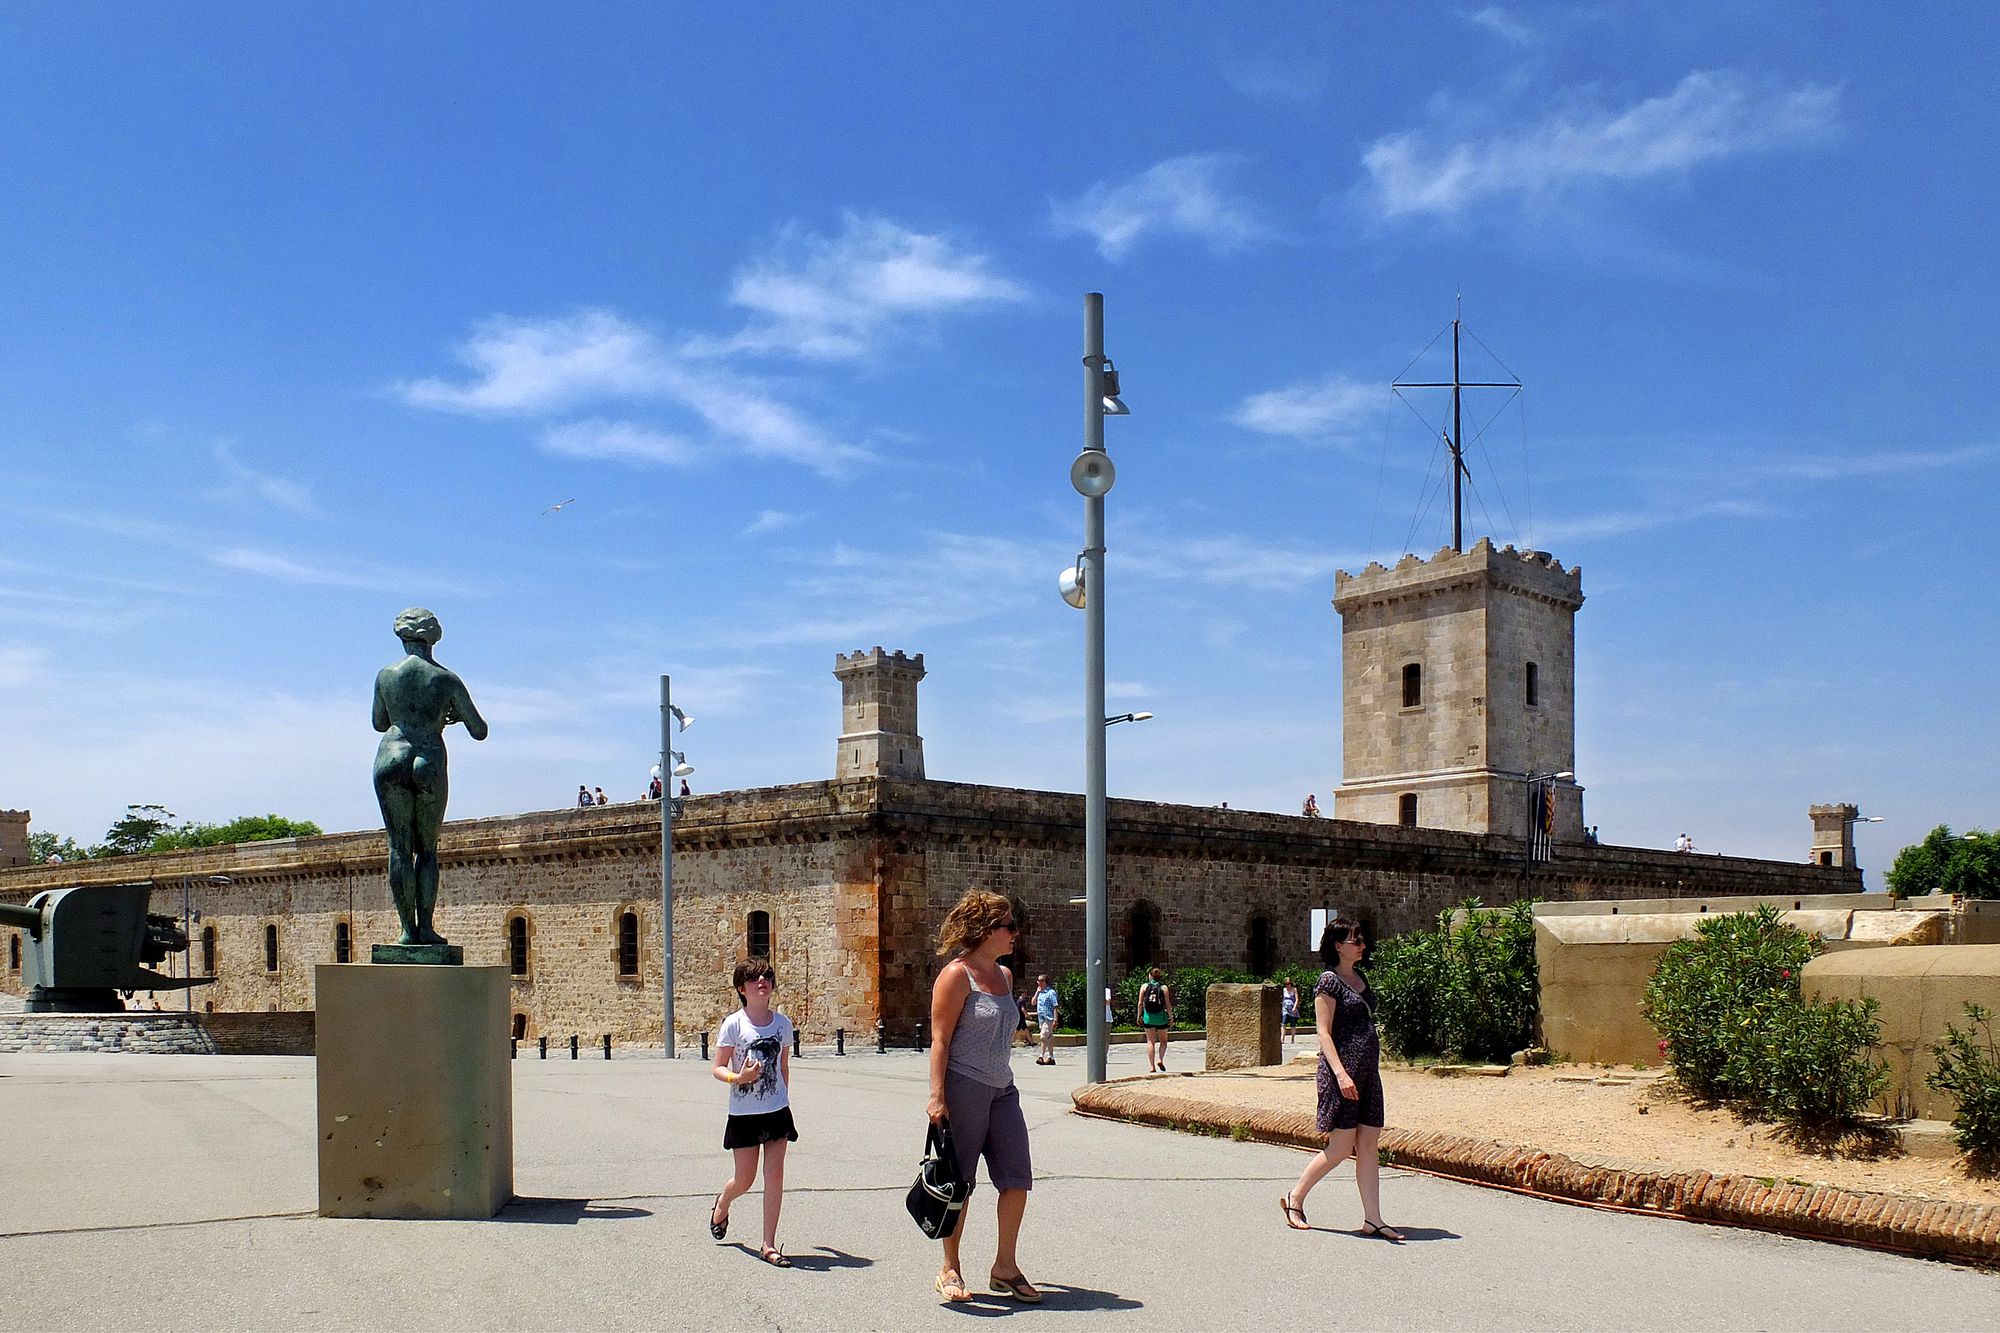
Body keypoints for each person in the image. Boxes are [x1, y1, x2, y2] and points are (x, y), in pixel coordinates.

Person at [926, 890, 1039, 1304]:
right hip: (964, 1086)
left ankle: (1004, 1267)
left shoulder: (1005, 977)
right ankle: (949, 1268)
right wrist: (937, 1096)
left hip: (1002, 1088)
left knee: (1017, 1177)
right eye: (1009, 926)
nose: (1015, 933)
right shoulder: (957, 975)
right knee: (960, 1184)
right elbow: (939, 1041)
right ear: (986, 930)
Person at [372, 607, 488, 947]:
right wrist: (447, 717)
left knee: (398, 848)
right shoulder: (446, 679)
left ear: (403, 636)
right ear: (433, 637)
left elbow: (380, 722)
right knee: (427, 851)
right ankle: (425, 928)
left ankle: (407, 932)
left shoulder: (386, 675)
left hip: (390, 755)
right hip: (429, 757)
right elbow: (479, 730)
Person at [1281, 917, 1402, 1241]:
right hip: (1341, 1074)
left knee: (1368, 1144)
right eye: (1355, 940)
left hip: (1367, 1073)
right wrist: (1340, 1074)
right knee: (1340, 1147)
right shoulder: (1328, 981)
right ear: (1337, 945)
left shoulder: (1360, 977)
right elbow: (1323, 1032)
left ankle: (1373, 1219)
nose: (1362, 944)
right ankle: (1295, 1198)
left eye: (1361, 939)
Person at [709, 958, 796, 1267]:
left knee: (775, 1175)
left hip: (776, 1111)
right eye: (754, 977)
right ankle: (723, 1202)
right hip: (744, 1113)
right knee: (744, 1180)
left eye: (767, 976)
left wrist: (785, 1099)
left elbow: (784, 1067)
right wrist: (739, 1078)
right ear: (741, 988)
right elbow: (718, 1067)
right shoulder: (734, 1024)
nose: (762, 980)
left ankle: (768, 1244)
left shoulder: (782, 1024)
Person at [1139, 967, 1173, 1072]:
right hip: (1161, 1017)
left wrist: (1139, 1016)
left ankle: (1152, 1067)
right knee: (1163, 1041)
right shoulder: (1164, 988)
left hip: (1148, 1017)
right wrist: (1170, 1017)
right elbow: (1167, 1004)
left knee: (1150, 1042)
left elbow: (1140, 1003)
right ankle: (1160, 1059)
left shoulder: (1144, 986)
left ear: (1150, 975)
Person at [1032, 974, 1060, 1065]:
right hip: (1041, 1019)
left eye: (1040, 980)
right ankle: (1051, 1057)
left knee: (1043, 1036)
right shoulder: (1040, 992)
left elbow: (1055, 1006)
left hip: (1049, 1018)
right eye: (1038, 980)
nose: (1038, 982)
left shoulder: (1051, 992)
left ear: (1045, 982)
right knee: (1048, 1038)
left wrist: (1055, 1019)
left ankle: (1041, 1056)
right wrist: (1037, 992)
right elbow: (1033, 1002)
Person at [1280, 978, 1301, 1044]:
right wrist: (1282, 1008)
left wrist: (1294, 1007)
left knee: (1293, 1024)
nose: (1287, 985)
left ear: (1291, 983)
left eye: (1288, 984)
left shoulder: (1294, 989)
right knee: (1283, 1023)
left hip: (1292, 1008)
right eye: (1286, 984)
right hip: (1285, 1008)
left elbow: (1297, 999)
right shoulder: (1284, 990)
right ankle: (1282, 1038)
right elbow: (1283, 999)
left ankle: (1292, 1039)